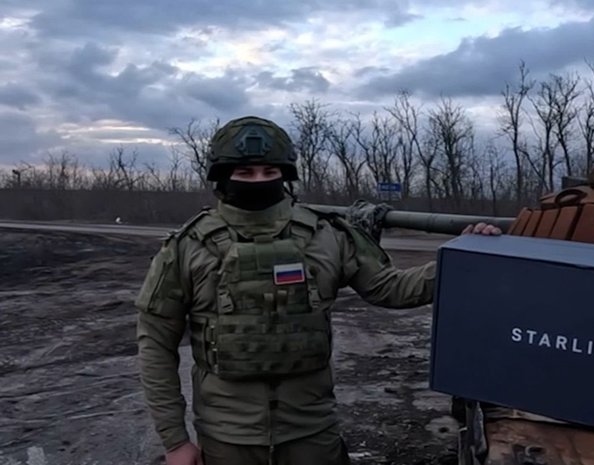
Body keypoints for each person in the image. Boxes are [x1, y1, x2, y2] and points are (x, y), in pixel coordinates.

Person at [135, 116, 501, 465]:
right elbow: (155, 342)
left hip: (312, 432)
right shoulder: (187, 246)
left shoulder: (327, 235)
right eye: (244, 172)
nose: (258, 180)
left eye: (269, 171)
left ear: (285, 175)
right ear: (221, 176)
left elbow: (391, 289)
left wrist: (461, 259)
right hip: (227, 439)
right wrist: (176, 441)